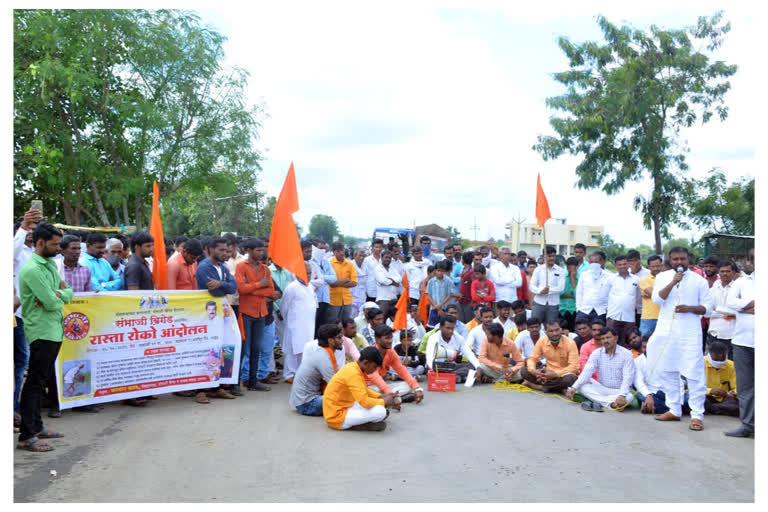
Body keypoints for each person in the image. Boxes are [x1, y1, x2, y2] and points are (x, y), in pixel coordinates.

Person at [17, 223, 73, 452]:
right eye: (55, 244)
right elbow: (50, 303)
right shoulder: (33, 269)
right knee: (34, 383)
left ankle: (37, 427)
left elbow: (67, 293)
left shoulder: (49, 265)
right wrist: (57, 296)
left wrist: (57, 293)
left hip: (54, 329)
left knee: (40, 382)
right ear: (40, 243)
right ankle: (26, 435)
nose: (59, 248)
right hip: (41, 331)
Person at [647, 247, 713, 432]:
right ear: (670, 260)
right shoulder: (663, 277)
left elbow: (708, 309)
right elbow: (657, 300)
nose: (679, 262)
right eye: (675, 259)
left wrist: (691, 308)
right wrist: (672, 283)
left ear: (688, 260)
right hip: (666, 331)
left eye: (682, 259)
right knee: (667, 370)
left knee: (694, 373)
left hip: (689, 333)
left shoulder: (699, 280)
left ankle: (697, 415)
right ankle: (674, 409)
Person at [194, 237, 238, 402]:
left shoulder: (223, 267)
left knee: (220, 348)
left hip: (222, 313)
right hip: (207, 313)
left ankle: (216, 387)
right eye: (221, 250)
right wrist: (222, 286)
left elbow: (233, 288)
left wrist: (221, 284)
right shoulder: (204, 267)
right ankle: (199, 390)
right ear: (210, 249)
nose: (225, 253)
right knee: (206, 349)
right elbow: (214, 292)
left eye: (226, 250)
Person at [323, 346, 399, 431]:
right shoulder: (353, 373)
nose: (374, 370)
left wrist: (381, 396)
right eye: (374, 367)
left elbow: (364, 390)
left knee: (378, 407)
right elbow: (364, 402)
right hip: (336, 416)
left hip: (343, 405)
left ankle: (360, 422)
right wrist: (384, 401)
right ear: (366, 363)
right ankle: (358, 425)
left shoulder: (354, 367)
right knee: (380, 411)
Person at [235, 238, 275, 392]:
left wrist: (252, 289)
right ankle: (236, 383)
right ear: (249, 251)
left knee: (256, 348)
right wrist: (259, 285)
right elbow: (240, 289)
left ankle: (253, 381)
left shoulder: (265, 268)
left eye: (262, 250)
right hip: (246, 313)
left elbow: (271, 291)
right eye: (258, 250)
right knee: (244, 349)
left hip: (261, 313)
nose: (261, 253)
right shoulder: (241, 267)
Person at [566, 327, 636, 411]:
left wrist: (621, 395)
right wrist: (574, 388)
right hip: (602, 388)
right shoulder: (597, 353)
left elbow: (628, 378)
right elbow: (587, 372)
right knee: (582, 386)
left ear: (616, 338)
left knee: (629, 397)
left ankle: (600, 401)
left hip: (618, 391)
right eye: (603, 338)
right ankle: (611, 404)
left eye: (608, 337)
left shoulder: (626, 354)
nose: (605, 341)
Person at [724, 252, 754, 438]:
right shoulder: (742, 282)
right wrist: (751, 305)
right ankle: (747, 425)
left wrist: (742, 307)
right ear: (752, 261)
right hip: (742, 341)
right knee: (745, 387)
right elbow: (730, 303)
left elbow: (737, 305)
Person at [290, 324, 345, 416]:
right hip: (307, 404)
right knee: (345, 398)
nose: (342, 340)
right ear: (330, 341)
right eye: (339, 338)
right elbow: (336, 385)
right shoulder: (323, 357)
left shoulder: (322, 352)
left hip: (306, 400)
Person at [365, 325, 425, 402]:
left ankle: (391, 399)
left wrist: (417, 388)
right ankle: (396, 398)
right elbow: (375, 378)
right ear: (377, 340)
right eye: (387, 338)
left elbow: (402, 370)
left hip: (383, 387)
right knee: (371, 392)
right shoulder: (371, 353)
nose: (391, 341)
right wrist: (389, 393)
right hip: (370, 387)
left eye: (391, 337)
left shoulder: (391, 352)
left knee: (409, 386)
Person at [281, 262, 318, 383]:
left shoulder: (310, 286)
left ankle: (300, 373)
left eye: (309, 273)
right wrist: (289, 321)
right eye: (304, 273)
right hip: (295, 324)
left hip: (308, 324)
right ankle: (289, 374)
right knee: (293, 349)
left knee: (305, 349)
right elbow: (284, 307)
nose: (307, 276)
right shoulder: (292, 287)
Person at [520, 320, 579, 393]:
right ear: (545, 332)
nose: (555, 333)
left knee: (570, 378)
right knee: (524, 371)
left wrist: (555, 374)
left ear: (561, 329)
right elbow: (532, 358)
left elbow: (574, 367)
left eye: (557, 330)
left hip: (562, 374)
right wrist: (534, 371)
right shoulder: (542, 341)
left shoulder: (570, 343)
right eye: (551, 331)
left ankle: (539, 387)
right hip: (547, 372)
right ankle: (558, 389)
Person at [424, 315, 480, 382]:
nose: (450, 331)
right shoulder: (433, 338)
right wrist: (431, 368)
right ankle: (456, 377)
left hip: (451, 367)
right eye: (447, 328)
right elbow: (429, 356)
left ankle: (451, 377)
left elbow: (469, 354)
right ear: (441, 327)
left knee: (472, 366)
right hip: (436, 367)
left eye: (452, 328)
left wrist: (478, 367)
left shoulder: (458, 338)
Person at [605, 254, 642, 348]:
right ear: (615, 266)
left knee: (628, 343)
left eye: (624, 264)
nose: (622, 266)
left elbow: (638, 298)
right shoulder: (610, 279)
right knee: (611, 341)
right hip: (613, 316)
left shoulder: (636, 279)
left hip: (629, 317)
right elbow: (605, 296)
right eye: (619, 264)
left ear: (628, 264)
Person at [706, 260, 738, 359]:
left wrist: (717, 309)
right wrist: (726, 314)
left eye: (728, 271)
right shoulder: (713, 289)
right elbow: (706, 313)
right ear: (719, 272)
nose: (725, 274)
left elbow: (737, 312)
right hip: (714, 333)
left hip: (732, 334)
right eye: (722, 271)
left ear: (733, 272)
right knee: (715, 363)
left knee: (732, 365)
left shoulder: (739, 288)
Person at [528, 246, 565, 325]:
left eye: (553, 256)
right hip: (539, 302)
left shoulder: (560, 270)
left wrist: (548, 290)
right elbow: (532, 285)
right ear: (544, 256)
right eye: (549, 256)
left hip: (553, 304)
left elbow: (561, 287)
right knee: (534, 325)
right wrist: (540, 291)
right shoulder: (538, 270)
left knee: (551, 327)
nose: (552, 258)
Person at [575, 251, 612, 324]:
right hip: (584, 310)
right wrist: (579, 308)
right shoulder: (584, 275)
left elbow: (611, 295)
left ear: (601, 262)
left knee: (599, 333)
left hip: (601, 311)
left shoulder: (610, 276)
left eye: (596, 262)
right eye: (591, 262)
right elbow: (579, 292)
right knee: (581, 332)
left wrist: (607, 309)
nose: (594, 264)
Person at [703, 341, 739, 417]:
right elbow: (692, 387)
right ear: (709, 354)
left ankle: (711, 409)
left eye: (722, 360)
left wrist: (733, 393)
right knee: (697, 400)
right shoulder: (700, 363)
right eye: (715, 360)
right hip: (705, 396)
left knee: (735, 406)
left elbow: (737, 386)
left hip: (724, 398)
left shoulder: (731, 365)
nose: (718, 362)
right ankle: (716, 409)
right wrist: (710, 391)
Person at [327, 242, 357, 323]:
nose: (341, 253)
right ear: (333, 252)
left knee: (345, 324)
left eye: (342, 250)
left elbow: (354, 282)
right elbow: (331, 284)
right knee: (333, 324)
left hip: (347, 300)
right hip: (333, 300)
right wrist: (346, 280)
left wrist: (337, 283)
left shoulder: (349, 264)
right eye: (338, 251)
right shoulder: (329, 263)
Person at [425, 260, 459, 327]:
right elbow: (429, 296)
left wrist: (440, 305)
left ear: (444, 271)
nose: (440, 273)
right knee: (434, 328)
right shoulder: (431, 282)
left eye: (442, 271)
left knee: (445, 326)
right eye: (438, 270)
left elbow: (449, 295)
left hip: (444, 308)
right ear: (435, 270)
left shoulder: (448, 281)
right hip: (434, 308)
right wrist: (437, 307)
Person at [638, 255, 663, 337]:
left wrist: (649, 294)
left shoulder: (667, 278)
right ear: (648, 267)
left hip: (664, 316)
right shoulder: (644, 280)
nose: (656, 268)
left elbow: (655, 294)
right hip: (648, 317)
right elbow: (655, 294)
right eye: (653, 266)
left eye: (658, 266)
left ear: (661, 265)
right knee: (644, 342)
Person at [374, 250, 401, 318]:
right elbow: (383, 281)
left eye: (389, 258)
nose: (388, 259)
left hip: (393, 298)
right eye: (386, 257)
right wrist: (394, 283)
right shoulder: (377, 268)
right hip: (383, 299)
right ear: (381, 258)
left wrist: (390, 280)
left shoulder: (392, 268)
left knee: (394, 319)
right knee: (382, 319)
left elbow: (399, 278)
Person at [627, 249, 650, 325]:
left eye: (634, 260)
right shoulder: (626, 274)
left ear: (639, 260)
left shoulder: (648, 273)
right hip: (629, 310)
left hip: (643, 310)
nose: (632, 263)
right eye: (630, 261)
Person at [560, 257, 579, 332]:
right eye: (568, 266)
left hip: (574, 309)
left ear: (577, 267)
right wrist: (574, 296)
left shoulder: (581, 278)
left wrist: (572, 279)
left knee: (572, 332)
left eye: (572, 266)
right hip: (562, 309)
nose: (570, 269)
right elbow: (561, 293)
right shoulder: (563, 277)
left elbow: (578, 294)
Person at [456, 251, 476, 323]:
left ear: (463, 261)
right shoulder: (464, 270)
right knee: (460, 321)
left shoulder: (472, 272)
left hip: (468, 302)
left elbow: (475, 287)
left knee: (468, 322)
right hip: (461, 300)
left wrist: (473, 301)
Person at [349, 249, 368, 320]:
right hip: (352, 295)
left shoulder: (365, 266)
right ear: (354, 256)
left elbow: (365, 280)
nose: (362, 257)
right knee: (352, 317)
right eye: (360, 255)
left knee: (361, 317)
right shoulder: (350, 265)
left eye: (363, 256)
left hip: (362, 295)